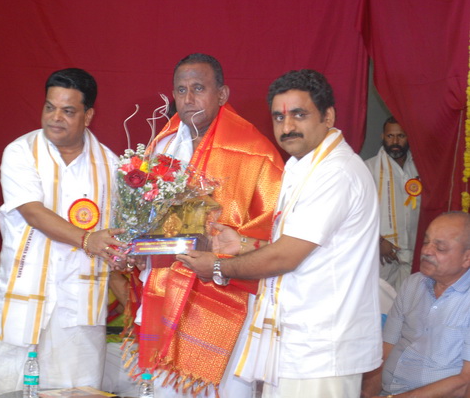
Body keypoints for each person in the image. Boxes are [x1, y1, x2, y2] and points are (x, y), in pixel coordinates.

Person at [178, 69, 382, 398]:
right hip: (296, 342)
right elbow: (305, 247)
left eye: (299, 115)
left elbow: (286, 257)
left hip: (322, 348)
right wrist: (243, 243)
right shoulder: (302, 165)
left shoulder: (336, 172)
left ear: (328, 116)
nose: (287, 127)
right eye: (278, 117)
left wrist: (217, 266)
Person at [138, 53, 284, 397]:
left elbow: (275, 232)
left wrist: (220, 250)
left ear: (222, 94)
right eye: (181, 90)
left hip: (223, 291)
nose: (188, 99)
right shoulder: (162, 145)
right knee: (165, 388)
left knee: (223, 388)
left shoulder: (255, 151)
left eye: (199, 88)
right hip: (166, 284)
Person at [0, 68, 129, 395]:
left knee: (79, 391)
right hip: (24, 303)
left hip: (79, 311)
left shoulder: (111, 166)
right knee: (12, 391)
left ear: (88, 115)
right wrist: (88, 239)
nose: (55, 118)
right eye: (50, 107)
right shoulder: (21, 152)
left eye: (68, 111)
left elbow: (115, 238)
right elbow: (33, 213)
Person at [361, 211, 470, 398]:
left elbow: (465, 383)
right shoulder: (413, 284)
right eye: (426, 242)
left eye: (440, 248)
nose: (426, 251)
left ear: (467, 258)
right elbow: (386, 348)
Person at [365, 117, 421, 291]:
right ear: (382, 136)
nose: (395, 142)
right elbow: (358, 213)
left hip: (415, 251)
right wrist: (379, 240)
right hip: (383, 254)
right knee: (382, 302)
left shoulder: (421, 167)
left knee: (411, 302)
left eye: (401, 136)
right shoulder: (368, 168)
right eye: (390, 136)